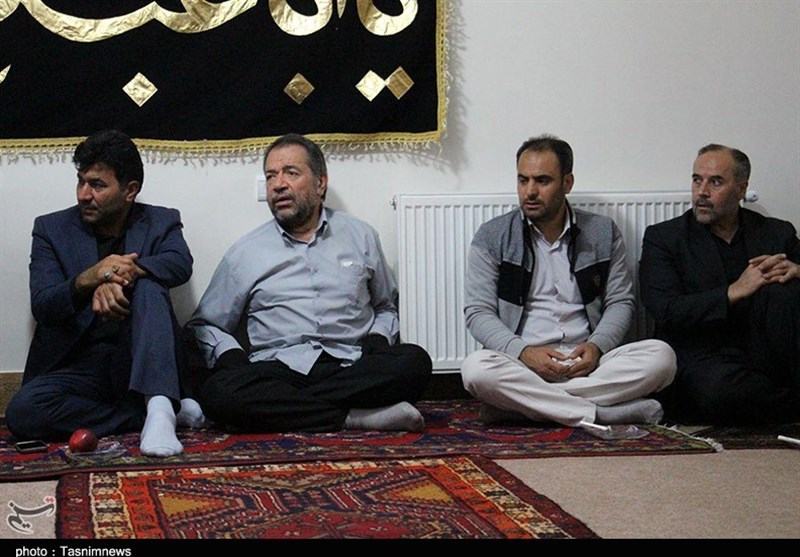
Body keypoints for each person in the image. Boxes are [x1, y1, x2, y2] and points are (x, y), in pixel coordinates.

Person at [186, 133, 432, 433]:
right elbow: (205, 325)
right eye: (270, 176)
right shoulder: (245, 253)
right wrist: (231, 354)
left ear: (320, 183)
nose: (278, 184)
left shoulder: (361, 236)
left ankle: (294, 411)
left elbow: (385, 307)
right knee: (219, 392)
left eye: (291, 173)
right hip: (278, 370)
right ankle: (354, 417)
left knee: (414, 361)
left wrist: (378, 339)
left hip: (351, 365)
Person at [6, 129, 206, 457]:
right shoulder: (50, 229)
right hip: (80, 366)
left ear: (130, 190)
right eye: (81, 181)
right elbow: (44, 304)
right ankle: (157, 413)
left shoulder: (161, 220)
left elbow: (179, 264)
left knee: (150, 285)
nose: (84, 194)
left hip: (141, 358)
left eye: (97, 185)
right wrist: (93, 277)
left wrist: (127, 272)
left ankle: (159, 407)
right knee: (23, 412)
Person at [460, 134, 676, 428]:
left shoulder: (602, 232)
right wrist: (523, 352)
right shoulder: (493, 236)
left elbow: (620, 302)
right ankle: (598, 413)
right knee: (476, 370)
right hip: (524, 363)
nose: (530, 191)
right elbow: (478, 312)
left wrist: (597, 346)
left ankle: (522, 406)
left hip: (589, 363)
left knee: (662, 358)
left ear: (567, 182)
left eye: (542, 181)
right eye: (523, 180)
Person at [639, 144, 800, 424]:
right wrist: (733, 292)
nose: (702, 192)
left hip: (768, 351)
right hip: (703, 354)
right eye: (696, 180)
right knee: (721, 393)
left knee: (786, 289)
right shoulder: (664, 238)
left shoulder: (776, 233)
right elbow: (666, 310)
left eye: (715, 182)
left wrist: (798, 270)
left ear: (741, 189)